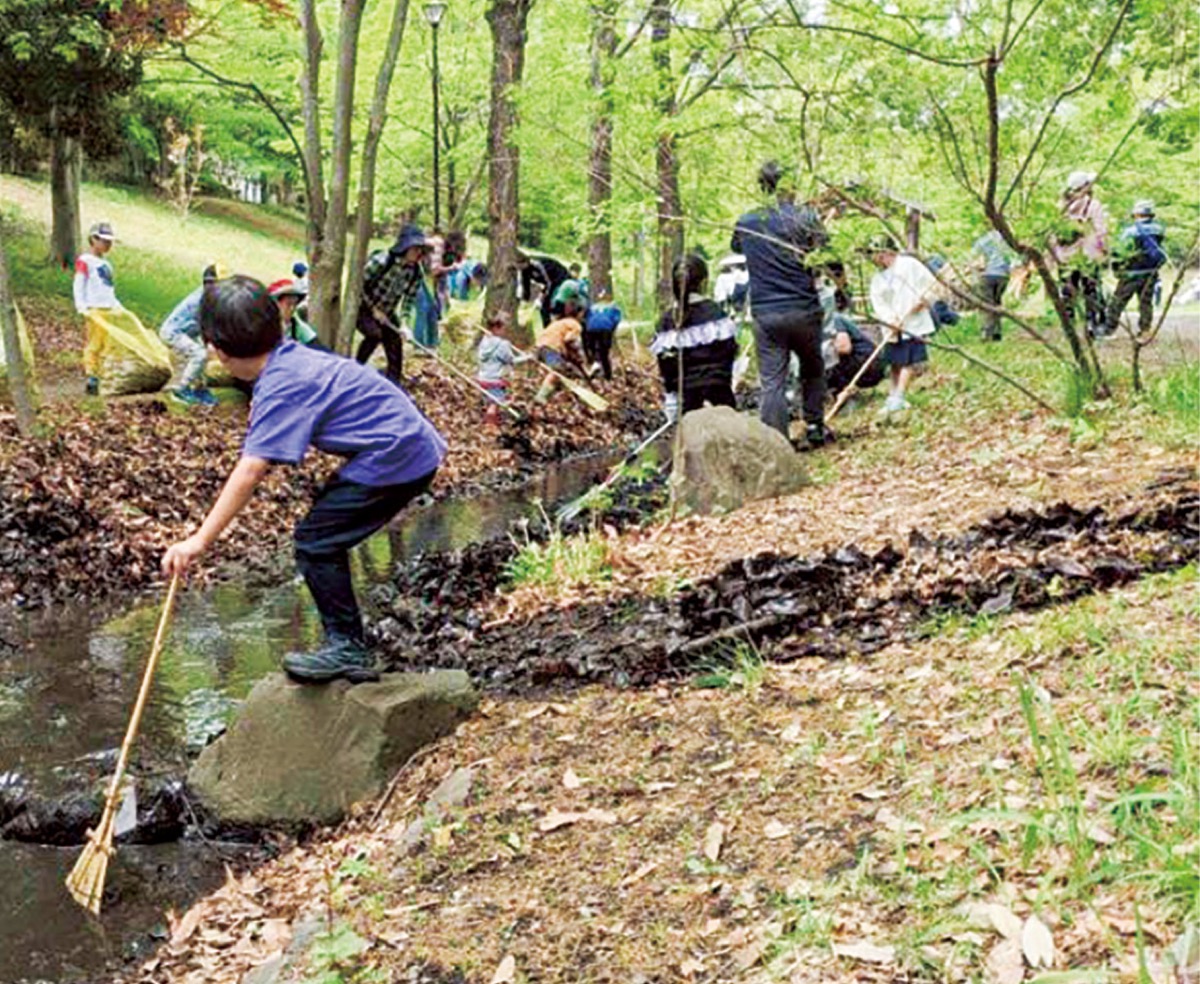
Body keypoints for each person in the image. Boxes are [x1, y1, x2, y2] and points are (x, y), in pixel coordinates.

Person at [161, 276, 446, 683]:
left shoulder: (280, 385)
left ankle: (347, 646)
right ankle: (346, 640)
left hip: (396, 455)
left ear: (216, 350)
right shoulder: (292, 356)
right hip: (407, 446)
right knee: (323, 532)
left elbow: (251, 470)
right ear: (277, 319)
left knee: (315, 541)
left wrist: (199, 541)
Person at [732, 160, 831, 448]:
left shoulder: (748, 221)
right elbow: (827, 253)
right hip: (803, 308)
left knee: (772, 380)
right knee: (812, 368)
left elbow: (737, 246)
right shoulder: (805, 217)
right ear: (791, 184)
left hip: (766, 313)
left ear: (762, 186)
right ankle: (814, 427)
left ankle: (778, 443)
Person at [651, 253, 737, 420]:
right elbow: (729, 351)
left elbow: (666, 364)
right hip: (720, 391)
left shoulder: (668, 320)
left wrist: (671, 396)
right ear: (704, 282)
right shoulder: (716, 313)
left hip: (688, 396)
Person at [869, 237, 937, 415]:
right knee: (895, 362)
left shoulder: (909, 265)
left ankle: (899, 396)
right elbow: (878, 303)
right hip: (892, 326)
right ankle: (892, 396)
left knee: (910, 361)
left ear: (885, 252)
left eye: (875, 253)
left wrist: (924, 300)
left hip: (913, 322)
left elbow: (931, 285)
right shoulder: (877, 278)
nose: (873, 258)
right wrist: (890, 319)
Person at [355, 224, 429, 384]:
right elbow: (357, 285)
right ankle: (356, 369)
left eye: (421, 249)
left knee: (395, 341)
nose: (419, 253)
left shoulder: (416, 273)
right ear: (405, 247)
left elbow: (408, 301)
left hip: (386, 311)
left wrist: (404, 324)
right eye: (416, 249)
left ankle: (394, 381)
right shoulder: (382, 261)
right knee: (374, 335)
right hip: (363, 307)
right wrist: (373, 309)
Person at [159, 263, 226, 406]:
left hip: (188, 332)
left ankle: (200, 389)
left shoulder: (212, 298)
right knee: (199, 355)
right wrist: (210, 343)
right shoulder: (201, 300)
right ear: (208, 283)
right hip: (174, 332)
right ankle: (181, 389)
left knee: (201, 358)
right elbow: (205, 325)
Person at [1053, 170, 1108, 337]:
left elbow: (1052, 235)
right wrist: (1104, 251)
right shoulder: (1093, 205)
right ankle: (1092, 326)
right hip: (1088, 256)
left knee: (1068, 293)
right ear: (1086, 186)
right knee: (1091, 292)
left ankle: (1069, 328)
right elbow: (1101, 232)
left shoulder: (1060, 206)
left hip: (1065, 258)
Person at [1105, 201, 1167, 336]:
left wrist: (1116, 267)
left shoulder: (1130, 231)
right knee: (1145, 302)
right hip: (1151, 273)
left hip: (1132, 274)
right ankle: (1145, 330)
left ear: (1137, 214)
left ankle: (1109, 329)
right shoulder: (1159, 229)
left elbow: (1120, 251)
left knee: (1118, 301)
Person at [74, 221, 121, 395]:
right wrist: (82, 306)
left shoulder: (107, 265)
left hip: (109, 309)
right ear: (93, 239)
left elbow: (108, 289)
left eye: (110, 242)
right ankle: (92, 375)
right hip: (94, 309)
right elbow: (79, 284)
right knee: (94, 343)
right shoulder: (85, 261)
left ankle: (103, 374)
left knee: (107, 344)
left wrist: (118, 306)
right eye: (103, 241)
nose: (107, 245)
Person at [477, 314, 524, 427]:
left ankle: (492, 422)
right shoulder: (503, 344)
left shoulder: (484, 341)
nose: (505, 331)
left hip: (483, 377)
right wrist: (527, 357)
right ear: (496, 328)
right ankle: (490, 427)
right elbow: (510, 360)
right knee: (495, 403)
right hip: (495, 379)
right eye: (503, 328)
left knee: (490, 401)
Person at [533, 313, 587, 403]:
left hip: (539, 347)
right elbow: (569, 340)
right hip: (550, 348)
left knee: (565, 372)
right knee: (558, 370)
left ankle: (556, 396)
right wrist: (577, 355)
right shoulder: (576, 325)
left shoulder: (560, 323)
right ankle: (541, 396)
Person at [971, 231, 1012, 341]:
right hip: (1003, 276)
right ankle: (997, 333)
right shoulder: (1007, 240)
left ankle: (986, 332)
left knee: (987, 305)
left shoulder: (983, 240)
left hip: (987, 275)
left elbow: (976, 259)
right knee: (997, 303)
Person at [267, 279, 325, 348]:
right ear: (276, 304)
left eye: (294, 304)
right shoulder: (264, 325)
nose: (292, 308)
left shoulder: (297, 326)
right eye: (288, 304)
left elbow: (316, 345)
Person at [519, 252, 571, 327]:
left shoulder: (539, 265)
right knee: (544, 308)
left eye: (521, 266)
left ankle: (557, 326)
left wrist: (541, 297)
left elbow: (549, 282)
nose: (519, 268)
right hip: (551, 283)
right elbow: (525, 284)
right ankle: (547, 328)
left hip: (562, 281)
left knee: (551, 305)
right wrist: (525, 301)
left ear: (527, 262)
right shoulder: (524, 269)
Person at [584, 286, 622, 381]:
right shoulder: (613, 306)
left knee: (591, 348)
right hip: (605, 328)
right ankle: (607, 375)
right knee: (604, 353)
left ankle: (594, 365)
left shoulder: (592, 306)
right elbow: (617, 320)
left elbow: (586, 317)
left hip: (591, 328)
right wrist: (612, 329)